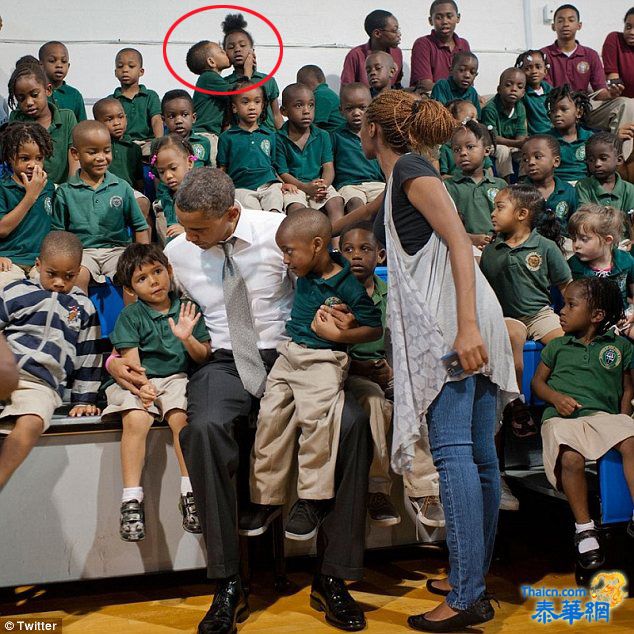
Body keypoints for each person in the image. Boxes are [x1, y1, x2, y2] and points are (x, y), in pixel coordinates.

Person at [107, 167, 372, 633]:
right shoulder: (178, 252)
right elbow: (154, 311)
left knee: (350, 421)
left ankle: (333, 577)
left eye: (198, 229)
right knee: (203, 428)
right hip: (224, 361)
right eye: (184, 227)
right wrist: (116, 359)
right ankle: (228, 581)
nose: (187, 237)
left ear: (231, 213)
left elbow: (330, 286)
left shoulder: (281, 235)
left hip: (293, 354)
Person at [360, 90, 517, 631]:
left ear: (376, 131)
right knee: (479, 456)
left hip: (457, 321)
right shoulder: (409, 172)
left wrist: (466, 327)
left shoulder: (408, 169)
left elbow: (455, 239)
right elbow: (371, 211)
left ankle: (468, 593)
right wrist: (320, 228)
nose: (356, 131)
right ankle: (469, 575)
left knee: (454, 455)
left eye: (361, 123)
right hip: (470, 315)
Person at [247, 210, 382, 541]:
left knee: (317, 424)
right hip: (289, 353)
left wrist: (339, 338)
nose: (285, 259)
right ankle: (267, 498)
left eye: (289, 251)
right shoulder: (306, 269)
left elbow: (373, 327)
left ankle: (313, 498)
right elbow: (316, 236)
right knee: (270, 419)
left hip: (324, 359)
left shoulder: (348, 285)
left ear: (317, 245)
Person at [102, 243, 211, 542]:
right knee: (137, 419)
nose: (154, 281)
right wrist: (144, 387)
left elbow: (203, 356)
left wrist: (187, 338)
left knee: (180, 419)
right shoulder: (131, 316)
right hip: (140, 378)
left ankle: (190, 494)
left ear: (169, 271)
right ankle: (131, 500)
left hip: (176, 378)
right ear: (131, 289)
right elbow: (130, 362)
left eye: (158, 271)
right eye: (142, 278)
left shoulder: (188, 308)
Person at [531, 277, 634, 568]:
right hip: (562, 419)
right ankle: (584, 528)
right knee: (571, 458)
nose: (561, 311)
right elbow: (538, 383)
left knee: (632, 439)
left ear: (596, 315)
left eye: (571, 305)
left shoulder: (621, 347)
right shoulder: (557, 347)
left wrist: (623, 417)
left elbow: (628, 388)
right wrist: (556, 397)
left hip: (604, 416)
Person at [0, 231, 101, 491]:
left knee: (33, 420)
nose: (59, 283)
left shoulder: (83, 307)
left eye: (68, 276)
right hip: (6, 370)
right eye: (51, 273)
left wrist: (84, 399)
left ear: (79, 271)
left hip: (42, 383)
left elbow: (88, 354)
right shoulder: (16, 291)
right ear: (38, 265)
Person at [480, 184, 571, 437]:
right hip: (507, 316)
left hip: (540, 313)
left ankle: (562, 396)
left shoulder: (545, 247)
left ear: (521, 214)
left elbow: (567, 286)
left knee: (565, 345)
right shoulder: (491, 251)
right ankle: (515, 403)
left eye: (499, 207)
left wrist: (576, 319)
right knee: (511, 338)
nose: (492, 214)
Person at [51, 121, 150, 294]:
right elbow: (59, 234)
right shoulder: (65, 192)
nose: (101, 157)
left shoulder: (122, 187)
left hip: (117, 250)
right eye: (92, 152)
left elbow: (140, 226)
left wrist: (143, 257)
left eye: (106, 150)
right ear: (75, 154)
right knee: (78, 277)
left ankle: (131, 319)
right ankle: (83, 319)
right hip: (83, 253)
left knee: (131, 275)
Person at [541, 4, 634, 160]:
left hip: (586, 107)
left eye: (571, 20)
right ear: (553, 26)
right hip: (557, 108)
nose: (565, 24)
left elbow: (600, 91)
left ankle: (618, 159)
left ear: (579, 25)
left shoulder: (590, 54)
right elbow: (546, 91)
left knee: (626, 103)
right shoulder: (544, 55)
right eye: (560, 20)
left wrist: (611, 94)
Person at [276, 83, 345, 232]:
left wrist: (323, 186)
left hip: (318, 184)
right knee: (296, 207)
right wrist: (305, 188)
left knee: (336, 201)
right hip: (295, 187)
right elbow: (282, 172)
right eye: (299, 106)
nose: (306, 111)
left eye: (311, 105)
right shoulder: (279, 137)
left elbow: (328, 167)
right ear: (284, 111)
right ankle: (303, 247)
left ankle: (336, 248)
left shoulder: (323, 135)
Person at [0, 122, 55, 289]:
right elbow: (2, 229)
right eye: (25, 158)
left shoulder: (50, 188)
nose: (33, 164)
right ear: (10, 158)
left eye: (39, 158)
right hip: (8, 260)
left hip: (41, 262)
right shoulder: (3, 188)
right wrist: (31, 196)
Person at [216, 82, 285, 212]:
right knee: (253, 216)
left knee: (275, 211)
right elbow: (222, 169)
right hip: (241, 188)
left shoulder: (270, 135)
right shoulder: (227, 137)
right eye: (245, 102)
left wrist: (284, 184)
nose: (252, 107)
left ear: (263, 105)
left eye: (257, 102)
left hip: (269, 186)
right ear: (234, 108)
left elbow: (274, 167)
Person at [7, 59, 78, 184]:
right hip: (26, 190)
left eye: (34, 95)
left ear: (48, 90)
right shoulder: (16, 119)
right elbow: (14, 159)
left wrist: (70, 189)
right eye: (21, 98)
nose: (28, 102)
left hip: (61, 191)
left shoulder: (67, 117)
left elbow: (74, 157)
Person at [445, 120, 507, 248]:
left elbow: (509, 222)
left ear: (487, 150)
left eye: (470, 147)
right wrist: (470, 239)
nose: (462, 153)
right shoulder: (448, 187)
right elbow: (446, 225)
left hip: (499, 246)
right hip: (464, 247)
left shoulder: (500, 185)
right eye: (456, 149)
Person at [92, 98, 151, 222]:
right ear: (97, 122)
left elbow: (139, 180)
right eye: (110, 119)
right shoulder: (97, 147)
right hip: (103, 190)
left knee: (144, 206)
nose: (117, 123)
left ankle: (144, 242)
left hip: (128, 191)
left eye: (120, 117)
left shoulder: (134, 148)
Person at [222, 13, 283, 131]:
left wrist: (283, 139)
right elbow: (226, 120)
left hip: (269, 138)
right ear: (225, 53)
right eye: (231, 47)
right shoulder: (225, 83)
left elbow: (276, 115)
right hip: (240, 140)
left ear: (252, 50)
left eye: (243, 45)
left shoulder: (268, 80)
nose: (237, 49)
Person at [567, 205, 633, 310]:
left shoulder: (626, 260)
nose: (576, 245)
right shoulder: (572, 266)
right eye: (574, 239)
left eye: (584, 239)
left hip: (621, 319)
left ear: (607, 240)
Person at [332, 83, 385, 212]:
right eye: (350, 109)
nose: (356, 113)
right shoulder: (335, 136)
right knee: (355, 203)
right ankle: (356, 232)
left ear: (371, 107)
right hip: (349, 185)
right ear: (341, 111)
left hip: (376, 183)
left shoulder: (378, 134)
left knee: (387, 201)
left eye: (362, 107)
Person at [576, 132, 634, 240]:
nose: (597, 164)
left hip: (622, 241)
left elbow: (631, 222)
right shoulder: (583, 186)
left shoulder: (629, 189)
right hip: (594, 241)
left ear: (619, 160)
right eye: (591, 160)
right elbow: (584, 218)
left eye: (603, 158)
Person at [188, 39, 251, 137]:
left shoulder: (212, 80)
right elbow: (238, 92)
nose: (226, 53)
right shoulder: (208, 77)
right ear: (211, 62)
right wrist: (247, 71)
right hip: (205, 134)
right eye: (221, 52)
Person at [522, 134, 578, 238]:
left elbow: (575, 225)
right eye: (525, 159)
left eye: (537, 157)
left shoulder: (568, 191)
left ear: (556, 161)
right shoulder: (519, 192)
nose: (531, 162)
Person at [410, 0, 470, 94]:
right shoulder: (423, 44)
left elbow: (468, 80)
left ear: (458, 18)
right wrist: (454, 94)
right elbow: (425, 85)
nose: (445, 21)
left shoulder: (463, 44)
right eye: (439, 17)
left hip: (460, 97)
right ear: (430, 21)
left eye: (449, 16)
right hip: (432, 98)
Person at [481, 68, 528, 180]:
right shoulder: (490, 109)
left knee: (527, 150)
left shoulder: (520, 107)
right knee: (503, 151)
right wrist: (517, 143)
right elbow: (493, 138)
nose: (513, 89)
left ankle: (523, 182)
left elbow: (521, 134)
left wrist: (521, 143)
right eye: (508, 85)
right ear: (499, 89)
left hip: (512, 144)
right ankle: (505, 183)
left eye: (519, 87)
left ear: (523, 93)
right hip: (491, 144)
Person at [150, 135, 196, 244]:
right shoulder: (164, 194)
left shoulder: (199, 191)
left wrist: (186, 230)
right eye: (161, 172)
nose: (168, 175)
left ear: (189, 162)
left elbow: (209, 223)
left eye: (173, 168)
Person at [110, 48, 163, 142]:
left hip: (146, 142)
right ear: (115, 73)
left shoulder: (150, 96)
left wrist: (159, 143)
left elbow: (156, 120)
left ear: (141, 71)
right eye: (120, 66)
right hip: (121, 144)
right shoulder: (111, 101)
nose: (125, 70)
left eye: (131, 66)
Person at [340, 9, 403, 88]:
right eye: (394, 30)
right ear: (377, 33)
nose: (399, 34)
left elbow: (397, 85)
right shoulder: (355, 55)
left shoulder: (397, 53)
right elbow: (346, 91)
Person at [545, 84, 592, 183]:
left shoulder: (591, 138)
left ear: (579, 113)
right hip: (557, 187)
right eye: (553, 110)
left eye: (563, 109)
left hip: (584, 186)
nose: (557, 114)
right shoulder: (545, 140)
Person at [439, 99, 494, 179]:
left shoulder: (479, 146)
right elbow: (442, 176)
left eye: (476, 118)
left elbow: (489, 172)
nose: (475, 122)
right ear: (452, 122)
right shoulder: (445, 148)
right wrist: (466, 181)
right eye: (470, 118)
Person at [161, 90, 212, 167]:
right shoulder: (160, 145)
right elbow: (156, 175)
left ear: (193, 118)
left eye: (184, 115)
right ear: (164, 120)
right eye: (172, 116)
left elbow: (208, 169)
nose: (178, 121)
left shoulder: (204, 142)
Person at [38, 40, 86, 122]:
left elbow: (82, 126)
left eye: (64, 61)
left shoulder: (74, 95)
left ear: (68, 66)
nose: (59, 65)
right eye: (52, 61)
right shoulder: (36, 93)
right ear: (41, 65)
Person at [296, 65, 346, 133]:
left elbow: (313, 126)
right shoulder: (326, 92)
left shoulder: (320, 95)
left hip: (336, 137)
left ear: (302, 85)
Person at [430, 51, 481, 116]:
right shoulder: (442, 86)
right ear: (451, 70)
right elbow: (440, 114)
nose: (467, 75)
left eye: (472, 72)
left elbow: (478, 117)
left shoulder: (472, 92)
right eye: (462, 70)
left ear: (476, 75)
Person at [516, 49, 553, 135]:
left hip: (554, 135)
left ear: (545, 70)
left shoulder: (551, 91)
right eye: (527, 68)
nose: (534, 72)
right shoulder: (521, 94)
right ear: (520, 72)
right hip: (534, 137)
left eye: (538, 67)